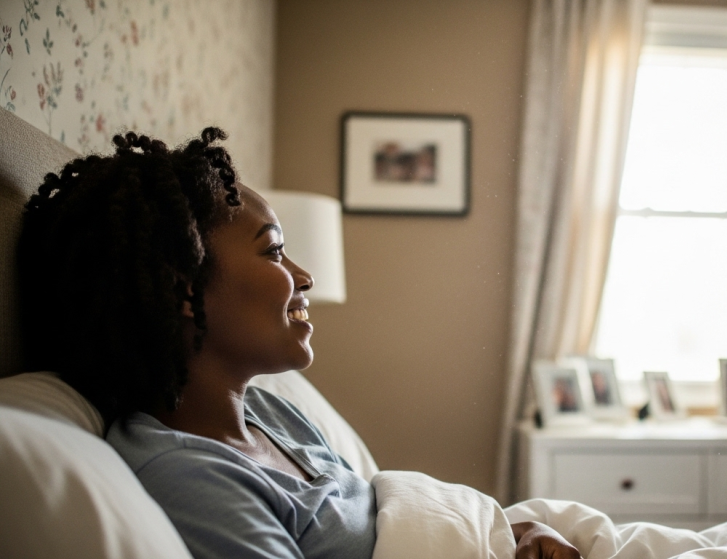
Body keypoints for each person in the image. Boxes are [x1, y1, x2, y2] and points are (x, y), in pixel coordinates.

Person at [16, 128, 582, 559]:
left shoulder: (267, 412)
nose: (304, 276)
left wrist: (515, 531)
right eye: (273, 251)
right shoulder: (191, 477)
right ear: (183, 287)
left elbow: (386, 514)